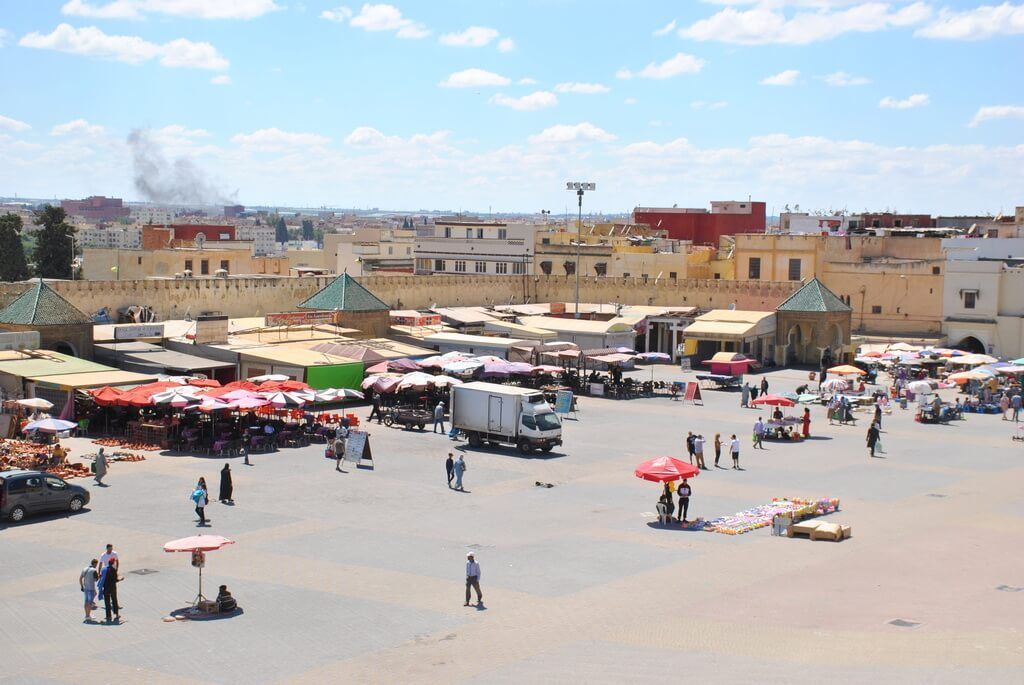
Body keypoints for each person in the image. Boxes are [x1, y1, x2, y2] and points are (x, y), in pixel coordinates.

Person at [98, 559, 122, 624]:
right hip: (113, 588)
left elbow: (102, 578)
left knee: (107, 603)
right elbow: (115, 580)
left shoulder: (104, 570)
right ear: (113, 563)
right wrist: (120, 579)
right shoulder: (114, 570)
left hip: (106, 588)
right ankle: (116, 614)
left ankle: (108, 616)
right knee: (114, 601)